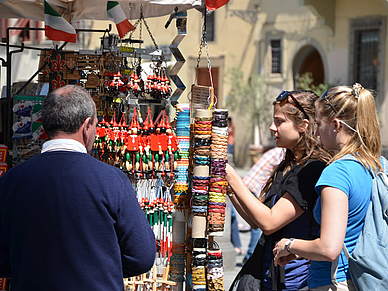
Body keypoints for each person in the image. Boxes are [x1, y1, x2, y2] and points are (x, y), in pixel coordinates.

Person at [0, 85, 156, 290]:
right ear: (87, 126)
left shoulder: (11, 181)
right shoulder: (112, 181)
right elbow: (142, 256)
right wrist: (101, 268)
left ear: (46, 124)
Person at [273, 84, 381, 290]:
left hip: (333, 281)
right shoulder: (379, 165)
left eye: (319, 123)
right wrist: (304, 250)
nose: (316, 132)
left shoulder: (336, 173)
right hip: (366, 278)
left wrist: (289, 244)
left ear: (336, 125)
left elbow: (329, 248)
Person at [227, 90, 331, 290]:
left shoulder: (312, 169)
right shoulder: (286, 166)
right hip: (268, 274)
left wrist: (232, 176)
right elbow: (255, 219)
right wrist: (229, 188)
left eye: (280, 121)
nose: (272, 127)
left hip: (294, 281)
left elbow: (269, 222)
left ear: (303, 126)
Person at [242, 146, 284, 263]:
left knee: (258, 223)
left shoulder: (277, 151)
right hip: (255, 188)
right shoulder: (281, 152)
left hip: (250, 185)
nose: (272, 127)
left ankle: (251, 255)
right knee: (258, 225)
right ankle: (251, 255)